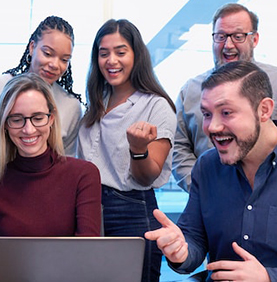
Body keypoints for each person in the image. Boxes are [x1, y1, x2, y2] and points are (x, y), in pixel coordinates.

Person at [145, 61, 277, 281]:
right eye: (207, 114)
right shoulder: (207, 166)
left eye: (226, 112)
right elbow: (194, 241)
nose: (213, 127)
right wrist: (181, 250)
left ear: (264, 110)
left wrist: (269, 277)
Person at [173, 3, 277, 192]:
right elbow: (179, 148)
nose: (228, 45)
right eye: (220, 36)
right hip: (213, 204)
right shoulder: (191, 90)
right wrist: (202, 188)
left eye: (238, 36)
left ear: (255, 39)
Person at [0, 73, 102, 282]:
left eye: (37, 118)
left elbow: (86, 255)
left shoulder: (84, 175)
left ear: (51, 119)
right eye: (17, 119)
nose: (28, 129)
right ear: (5, 124)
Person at [78, 19, 177, 282]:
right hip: (88, 209)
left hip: (131, 210)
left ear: (136, 55)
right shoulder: (95, 104)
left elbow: (148, 176)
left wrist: (138, 149)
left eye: (121, 52)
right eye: (104, 53)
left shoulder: (157, 106)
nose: (111, 60)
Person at [0, 15, 83, 176]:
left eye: (64, 59)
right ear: (32, 47)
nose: (55, 65)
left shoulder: (71, 106)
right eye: (48, 53)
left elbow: (64, 163)